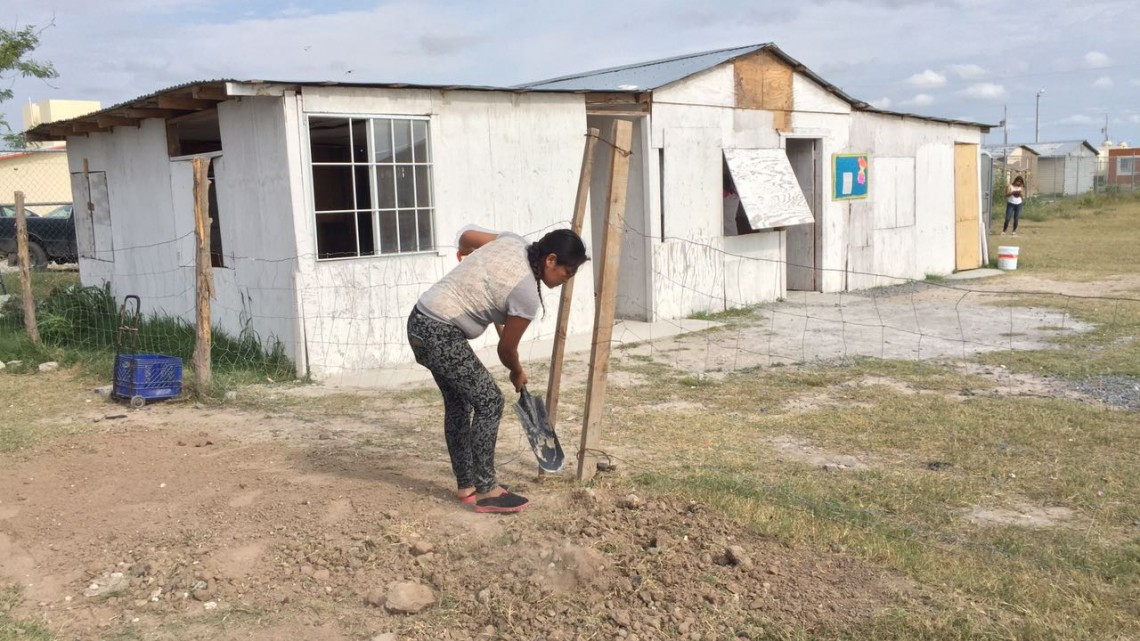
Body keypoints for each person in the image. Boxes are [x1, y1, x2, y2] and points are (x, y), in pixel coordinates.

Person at [406, 227, 589, 514]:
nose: (566, 281)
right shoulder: (527, 293)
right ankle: (487, 490)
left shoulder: (512, 242)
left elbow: (466, 236)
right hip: (439, 332)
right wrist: (516, 372)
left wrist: (469, 259)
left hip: (419, 321)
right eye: (567, 273)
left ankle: (468, 485)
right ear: (551, 260)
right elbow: (506, 350)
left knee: (459, 403)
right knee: (490, 402)